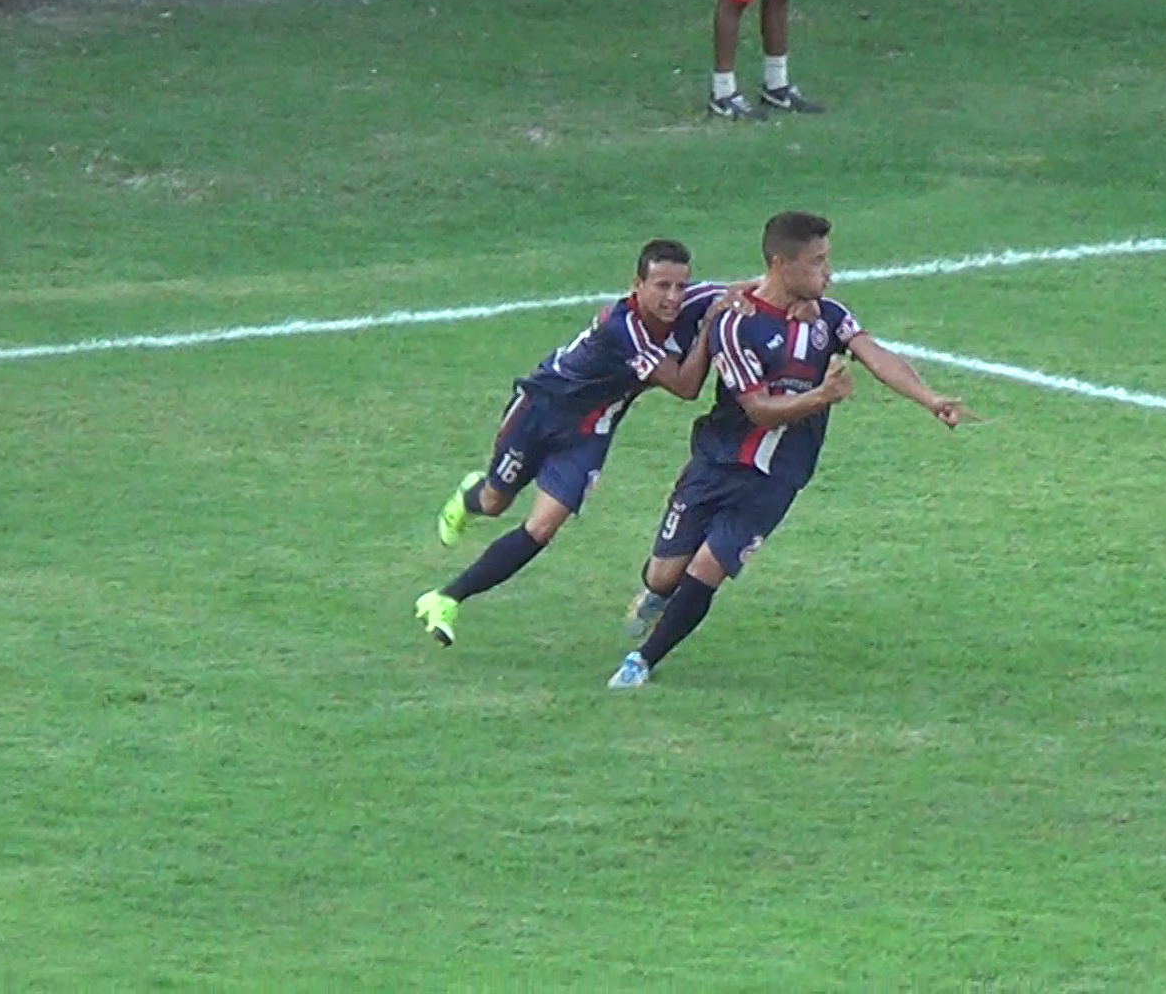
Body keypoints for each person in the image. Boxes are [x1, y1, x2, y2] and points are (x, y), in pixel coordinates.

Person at [606, 211, 977, 689]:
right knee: (664, 575)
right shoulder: (736, 326)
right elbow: (758, 409)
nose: (829, 272)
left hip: (774, 479)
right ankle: (655, 595)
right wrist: (820, 397)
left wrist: (930, 399)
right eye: (818, 261)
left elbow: (874, 353)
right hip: (716, 463)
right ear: (782, 264)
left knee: (706, 569)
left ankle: (643, 661)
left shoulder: (830, 317)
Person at [414, 240, 748, 648]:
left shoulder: (696, 299)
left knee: (542, 528)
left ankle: (445, 599)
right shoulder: (621, 327)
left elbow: (749, 289)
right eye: (662, 286)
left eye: (681, 286)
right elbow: (684, 386)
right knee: (494, 501)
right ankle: (470, 498)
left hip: (589, 431)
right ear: (637, 285)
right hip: (539, 412)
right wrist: (710, 329)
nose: (673, 298)